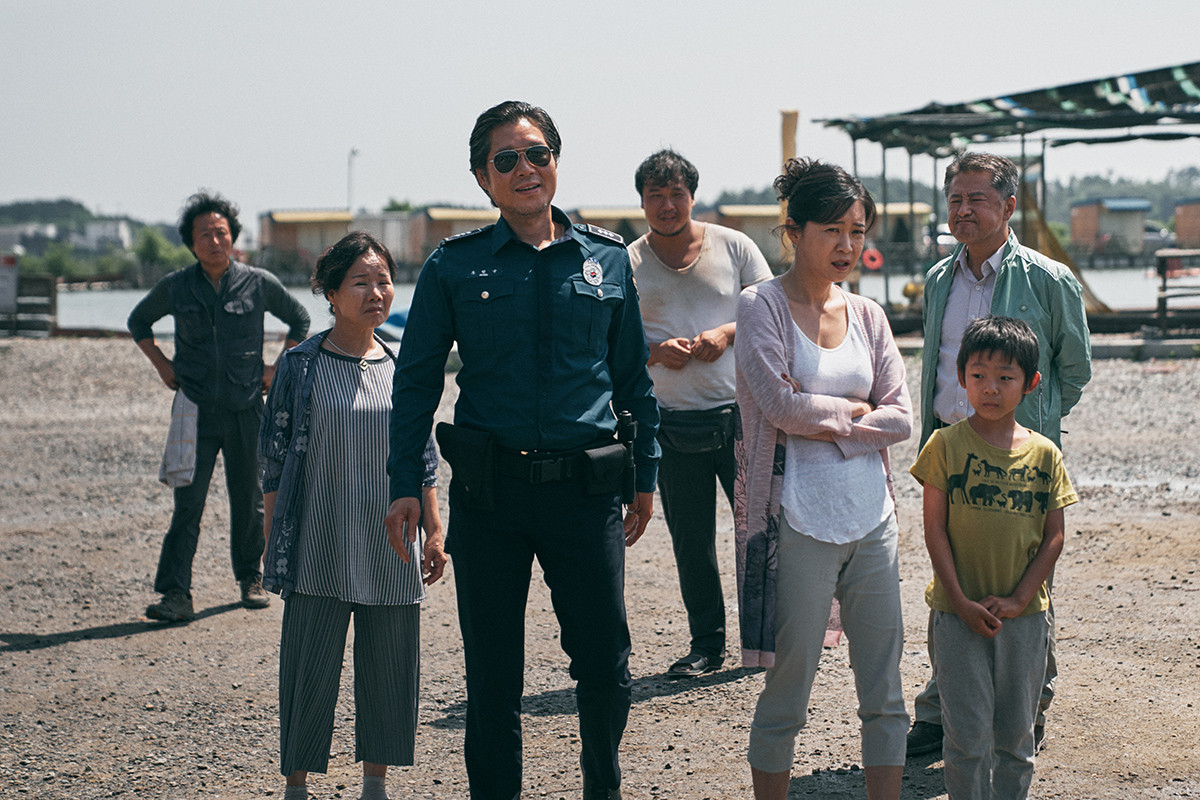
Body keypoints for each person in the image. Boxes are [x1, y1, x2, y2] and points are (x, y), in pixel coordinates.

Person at [384, 101, 660, 800]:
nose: (525, 169)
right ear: (484, 179)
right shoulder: (454, 266)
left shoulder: (607, 260)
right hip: (491, 497)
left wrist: (646, 474)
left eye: (537, 154)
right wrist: (405, 484)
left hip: (585, 495)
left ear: (556, 162)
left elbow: (633, 380)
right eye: (506, 160)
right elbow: (414, 384)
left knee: (606, 668)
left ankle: (603, 789)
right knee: (493, 677)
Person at [735, 158, 912, 800]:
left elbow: (903, 417)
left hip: (873, 520)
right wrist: (857, 414)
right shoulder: (761, 305)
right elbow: (779, 407)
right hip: (797, 521)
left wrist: (826, 418)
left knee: (884, 691)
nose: (847, 244)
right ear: (795, 231)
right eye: (832, 229)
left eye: (857, 231)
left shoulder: (868, 315)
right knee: (789, 687)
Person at [907, 152, 1092, 757]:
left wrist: (1028, 430)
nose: (963, 210)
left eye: (976, 199)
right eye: (955, 199)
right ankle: (941, 712)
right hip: (950, 453)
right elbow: (938, 365)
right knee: (950, 582)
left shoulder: (1049, 279)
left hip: (1017, 457)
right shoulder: (939, 279)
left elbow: (1074, 369)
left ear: (1009, 205)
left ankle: (1027, 707)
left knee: (1026, 585)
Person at [258, 232, 444, 800]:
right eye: (361, 282)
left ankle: (375, 784)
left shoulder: (403, 365)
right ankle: (296, 785)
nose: (376, 292)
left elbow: (423, 458)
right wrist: (272, 540)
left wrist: (435, 532)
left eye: (384, 280)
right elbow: (274, 459)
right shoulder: (300, 366)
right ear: (331, 293)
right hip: (319, 538)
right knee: (308, 666)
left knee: (389, 665)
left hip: (392, 541)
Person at [910, 315, 1077, 799]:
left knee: (1016, 740)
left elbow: (1054, 538)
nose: (991, 388)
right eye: (979, 375)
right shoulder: (944, 445)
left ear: (1031, 383)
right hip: (956, 614)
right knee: (965, 739)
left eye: (1006, 377)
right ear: (961, 377)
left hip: (1024, 619)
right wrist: (959, 601)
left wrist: (1020, 598)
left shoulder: (1045, 454)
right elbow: (934, 530)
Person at [128, 191, 310, 622]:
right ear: (191, 243)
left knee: (249, 501)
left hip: (247, 408)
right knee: (187, 505)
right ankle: (176, 594)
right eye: (205, 234)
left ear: (233, 237)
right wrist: (161, 364)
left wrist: (277, 368)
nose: (214, 240)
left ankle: (250, 578)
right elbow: (138, 321)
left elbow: (300, 319)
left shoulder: (258, 282)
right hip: (195, 410)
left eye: (221, 232)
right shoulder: (176, 286)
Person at [627, 148, 772, 677]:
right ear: (642, 202)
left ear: (693, 196)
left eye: (677, 194)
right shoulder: (628, 262)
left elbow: (771, 311)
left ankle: (769, 638)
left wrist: (726, 333)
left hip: (741, 416)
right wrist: (652, 352)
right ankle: (706, 644)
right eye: (656, 196)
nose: (667, 205)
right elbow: (611, 339)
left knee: (760, 531)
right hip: (670, 421)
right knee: (692, 541)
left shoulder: (734, 246)